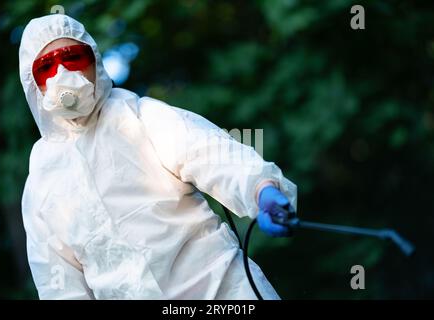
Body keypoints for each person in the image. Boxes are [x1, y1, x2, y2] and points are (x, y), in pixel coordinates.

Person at [19, 14, 298, 300]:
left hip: (225, 291)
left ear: (95, 61)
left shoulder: (139, 117)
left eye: (73, 57)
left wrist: (260, 188)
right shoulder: (41, 183)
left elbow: (212, 154)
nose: (63, 73)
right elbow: (60, 287)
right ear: (33, 85)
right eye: (46, 67)